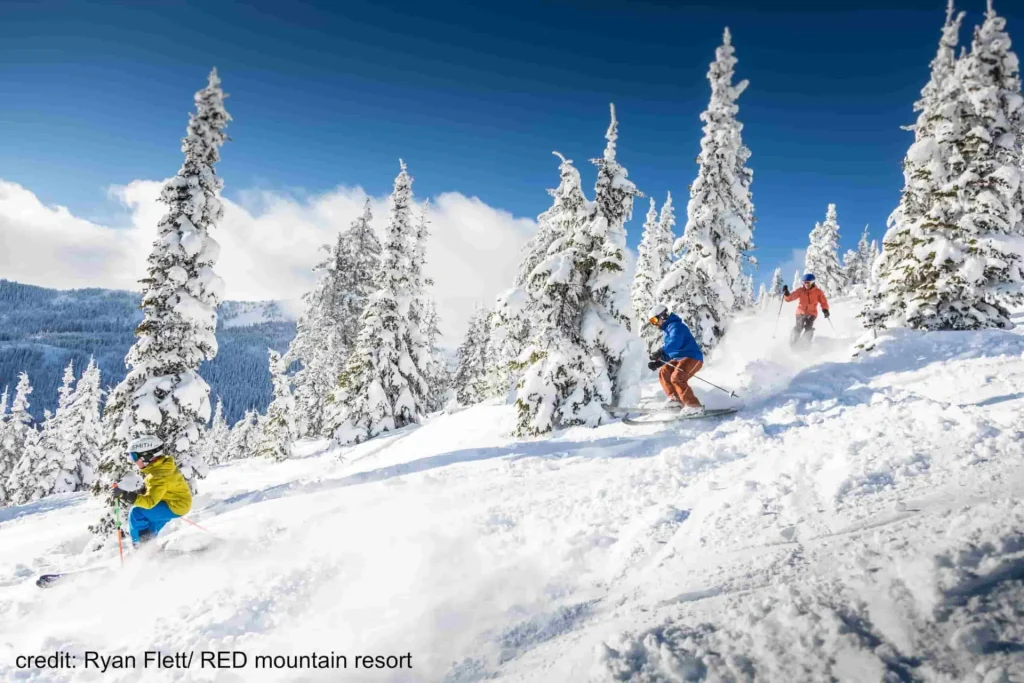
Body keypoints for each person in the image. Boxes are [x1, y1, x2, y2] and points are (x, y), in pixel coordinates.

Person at [111, 435, 192, 548]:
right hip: (172, 501)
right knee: (150, 523)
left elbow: (149, 502)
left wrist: (124, 495)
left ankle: (142, 548)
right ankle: (150, 550)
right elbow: (160, 488)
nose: (133, 461)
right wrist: (144, 490)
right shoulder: (160, 466)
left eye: (134, 456)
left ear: (147, 456)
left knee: (137, 513)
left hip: (175, 505)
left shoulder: (158, 475)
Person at [646, 304, 705, 415]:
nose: (654, 324)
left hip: (692, 357)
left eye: (654, 320)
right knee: (664, 372)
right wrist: (659, 362)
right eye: (651, 322)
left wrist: (660, 351)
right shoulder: (667, 330)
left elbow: (675, 344)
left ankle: (694, 406)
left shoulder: (676, 326)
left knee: (677, 377)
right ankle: (676, 400)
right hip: (679, 358)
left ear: (663, 316)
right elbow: (671, 352)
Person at [782, 273, 830, 346]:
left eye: (808, 283)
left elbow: (823, 302)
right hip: (800, 312)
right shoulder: (800, 291)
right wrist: (787, 294)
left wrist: (825, 310)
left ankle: (805, 344)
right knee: (799, 326)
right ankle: (793, 343)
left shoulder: (818, 292)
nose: (806, 284)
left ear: (813, 282)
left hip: (812, 313)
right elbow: (790, 298)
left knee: (809, 328)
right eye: (804, 283)